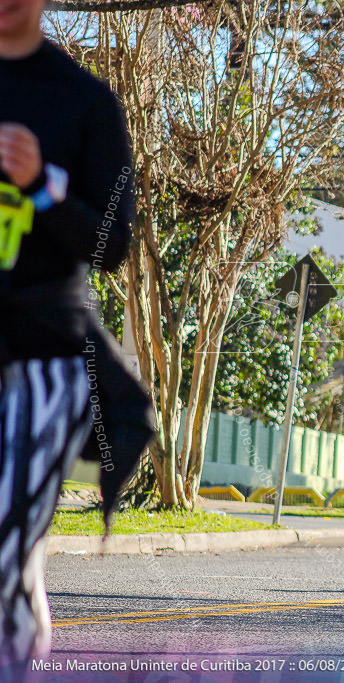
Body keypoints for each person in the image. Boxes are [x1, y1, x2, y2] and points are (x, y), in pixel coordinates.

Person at [0, 0, 134, 673]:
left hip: (42, 359)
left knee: (3, 546)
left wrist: (40, 190)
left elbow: (114, 245)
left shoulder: (83, 101)